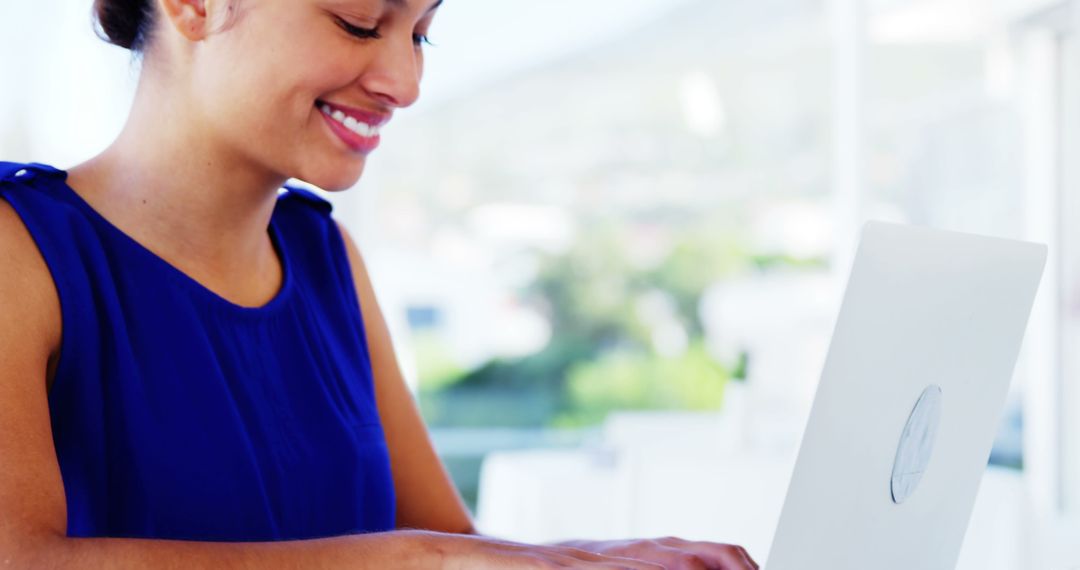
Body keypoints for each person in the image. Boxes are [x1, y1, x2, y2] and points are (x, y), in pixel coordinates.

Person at [0, 0, 759, 568]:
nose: (406, 80)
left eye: (421, 32)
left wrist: (603, 558)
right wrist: (409, 561)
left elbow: (454, 548)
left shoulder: (327, 257)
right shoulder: (20, 253)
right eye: (360, 23)